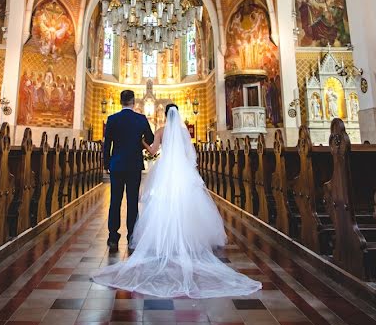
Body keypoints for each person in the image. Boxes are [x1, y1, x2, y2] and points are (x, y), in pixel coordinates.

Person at [93, 104, 262, 298]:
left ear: (164, 115)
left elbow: (153, 150)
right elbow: (191, 154)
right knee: (185, 203)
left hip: (164, 170)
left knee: (157, 204)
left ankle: (145, 238)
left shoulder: (161, 131)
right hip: (182, 170)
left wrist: (142, 144)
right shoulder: (183, 132)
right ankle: (187, 238)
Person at [102, 89, 155, 249]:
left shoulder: (112, 119)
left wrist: (106, 164)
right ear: (133, 102)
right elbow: (151, 139)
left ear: (120, 102)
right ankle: (132, 236)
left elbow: (107, 145)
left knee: (115, 201)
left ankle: (113, 238)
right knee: (132, 202)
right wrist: (138, 142)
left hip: (116, 165)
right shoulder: (140, 119)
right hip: (134, 165)